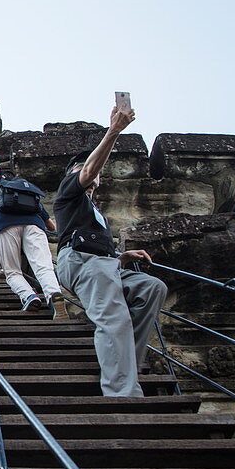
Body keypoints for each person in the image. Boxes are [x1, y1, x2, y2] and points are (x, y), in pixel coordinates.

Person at [53, 106, 167, 397]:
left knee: (151, 289)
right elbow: (89, 169)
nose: (92, 174)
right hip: (80, 262)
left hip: (105, 264)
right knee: (114, 318)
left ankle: (126, 364)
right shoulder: (70, 191)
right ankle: (122, 392)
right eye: (82, 169)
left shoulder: (96, 210)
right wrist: (114, 130)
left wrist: (122, 258)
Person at [0, 172, 66, 317]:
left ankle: (29, 296)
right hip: (35, 226)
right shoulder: (28, 191)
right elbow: (51, 226)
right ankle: (53, 295)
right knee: (44, 267)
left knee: (12, 271)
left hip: (5, 227)